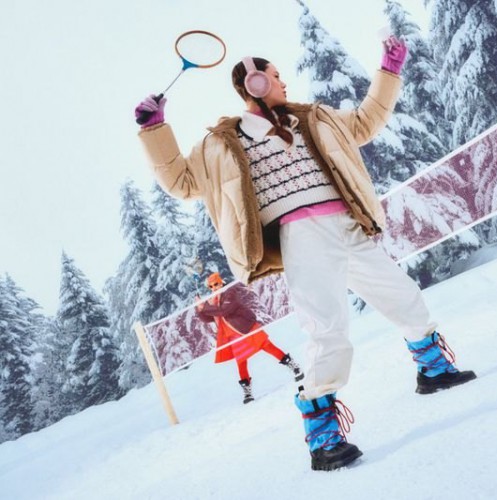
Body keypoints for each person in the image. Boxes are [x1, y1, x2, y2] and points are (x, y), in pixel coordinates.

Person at [135, 35, 476, 471]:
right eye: (275, 76)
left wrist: (389, 71)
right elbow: (182, 182)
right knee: (328, 330)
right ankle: (322, 435)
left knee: (403, 296)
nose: (284, 83)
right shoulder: (221, 144)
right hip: (302, 237)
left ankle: (432, 370)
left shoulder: (314, 119)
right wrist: (154, 131)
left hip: (347, 225)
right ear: (255, 83)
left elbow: (365, 122)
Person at [196, 272, 303, 404]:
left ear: (221, 282)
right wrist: (200, 309)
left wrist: (205, 307)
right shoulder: (214, 299)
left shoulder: (230, 291)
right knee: (241, 361)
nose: (214, 288)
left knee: (267, 346)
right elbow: (208, 318)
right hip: (232, 333)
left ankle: (293, 366)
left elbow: (224, 310)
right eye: (211, 286)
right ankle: (248, 391)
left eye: (216, 284)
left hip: (245, 326)